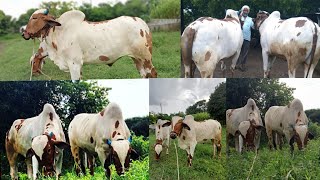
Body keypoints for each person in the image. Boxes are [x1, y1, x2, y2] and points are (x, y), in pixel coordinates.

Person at [236, 5, 254, 72]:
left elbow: (254, 27)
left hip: (247, 38)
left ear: (248, 11)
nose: (245, 11)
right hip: (238, 38)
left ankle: (242, 65)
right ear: (242, 11)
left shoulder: (250, 19)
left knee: (245, 52)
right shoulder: (238, 18)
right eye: (244, 10)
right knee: (238, 51)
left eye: (247, 10)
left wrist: (256, 22)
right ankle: (236, 64)